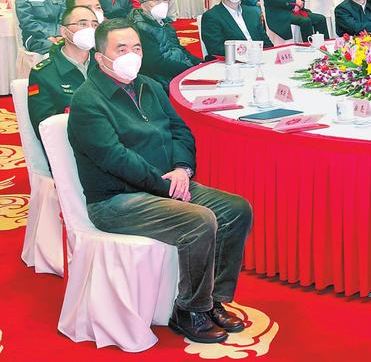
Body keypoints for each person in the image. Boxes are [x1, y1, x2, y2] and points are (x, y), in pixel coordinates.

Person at [68, 18, 253, 343]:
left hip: (167, 184)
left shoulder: (149, 86)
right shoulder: (88, 101)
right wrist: (164, 186)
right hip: (117, 199)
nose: (131, 55)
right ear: (100, 57)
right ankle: (190, 310)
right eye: (121, 49)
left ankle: (214, 300)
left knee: (236, 209)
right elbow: (115, 158)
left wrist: (182, 169)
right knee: (199, 220)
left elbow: (181, 131)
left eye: (136, 48)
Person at [26, 4, 97, 142]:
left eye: (94, 25)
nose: (90, 29)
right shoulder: (43, 74)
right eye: (82, 24)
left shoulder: (104, 65)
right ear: (64, 32)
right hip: (72, 143)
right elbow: (45, 127)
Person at [127, 0, 200, 89]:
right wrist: (188, 69)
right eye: (156, 0)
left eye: (165, 0)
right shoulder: (140, 28)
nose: (162, 4)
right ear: (142, 4)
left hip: (178, 69)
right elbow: (154, 63)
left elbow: (178, 47)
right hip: (161, 80)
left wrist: (198, 62)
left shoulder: (165, 23)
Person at [200, 0, 270, 59]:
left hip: (259, 58)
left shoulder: (252, 12)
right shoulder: (212, 16)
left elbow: (266, 42)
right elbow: (216, 49)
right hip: (233, 61)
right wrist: (248, 52)